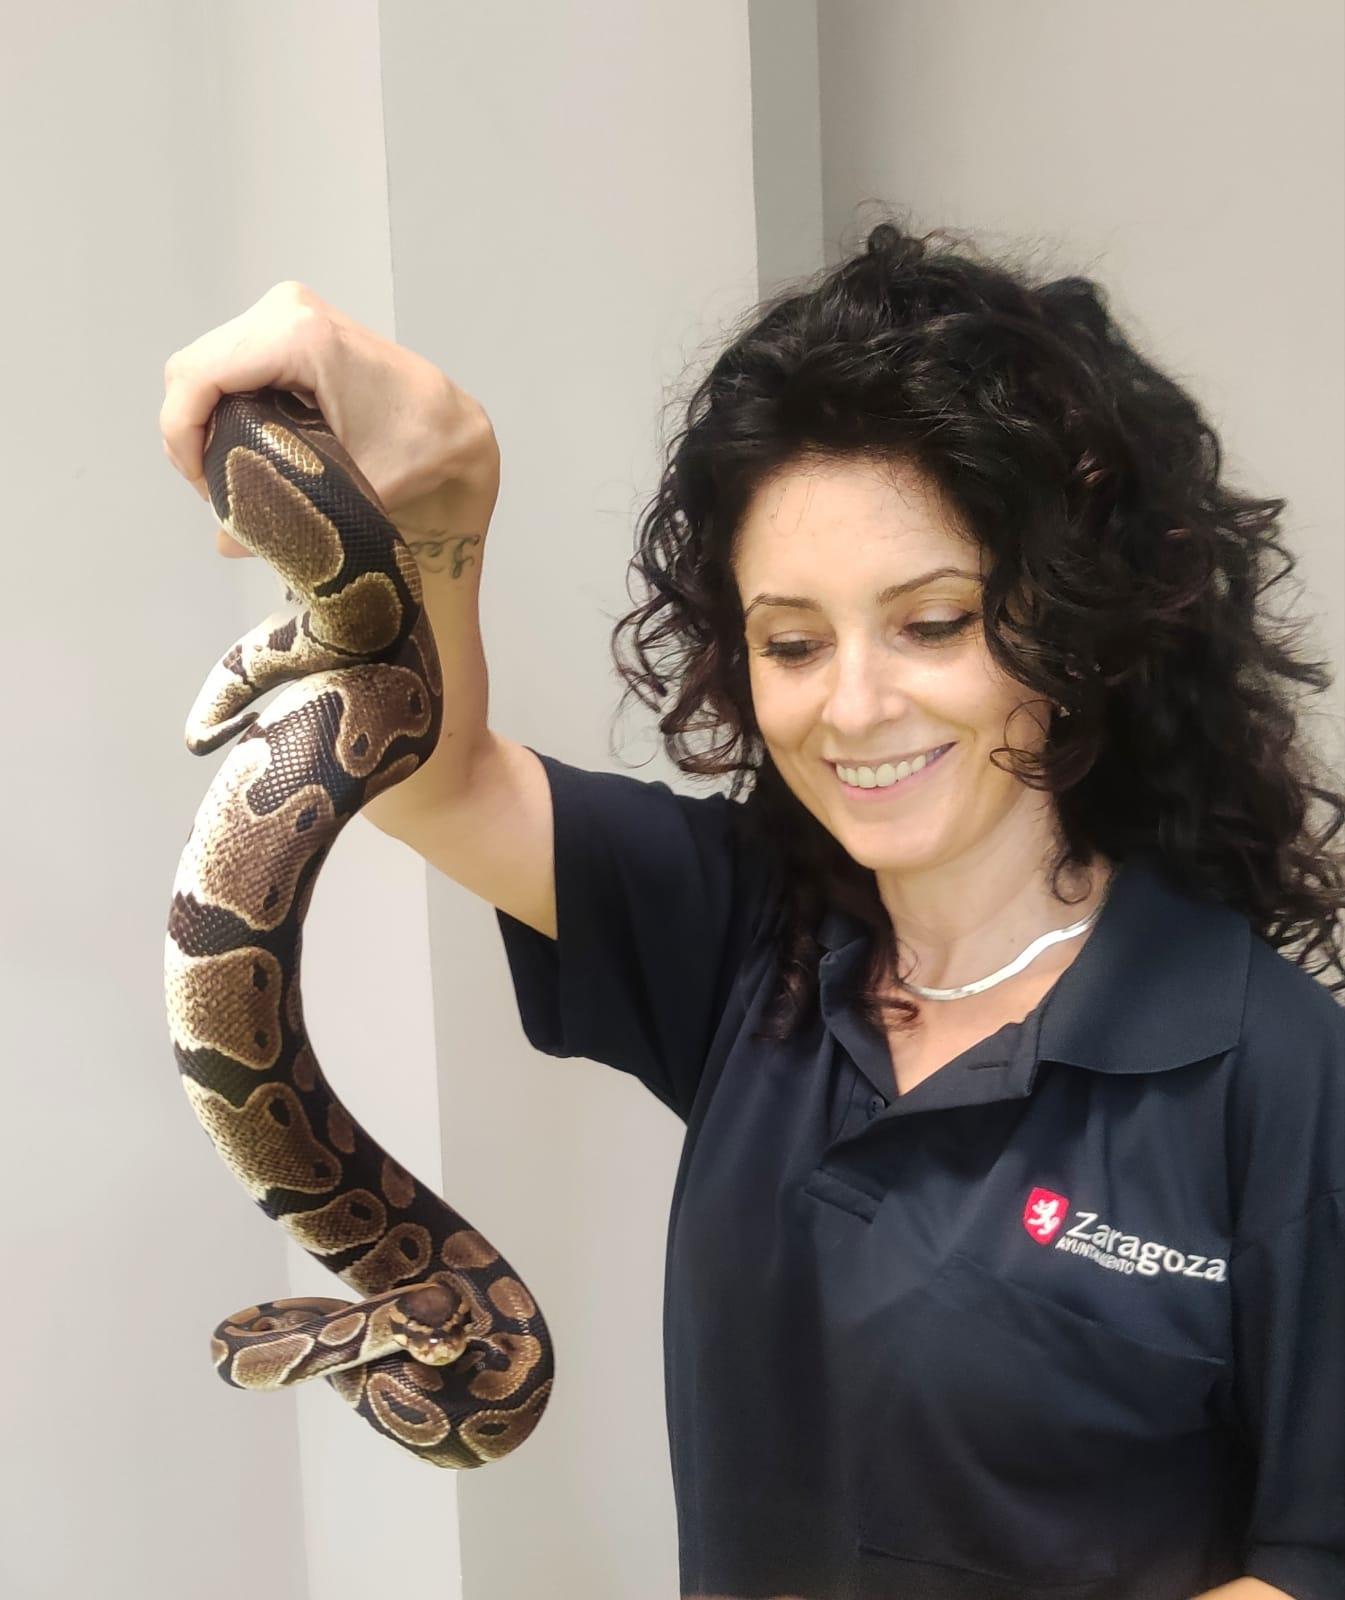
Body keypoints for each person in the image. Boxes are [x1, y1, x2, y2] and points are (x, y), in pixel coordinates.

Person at [162, 223, 1345, 1600]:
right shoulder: (748, 934)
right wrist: (448, 479)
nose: (853, 706)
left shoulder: (1271, 1066)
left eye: (933, 623)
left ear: (1072, 624)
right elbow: (433, 775)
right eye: (792, 642)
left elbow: (1314, 1555)